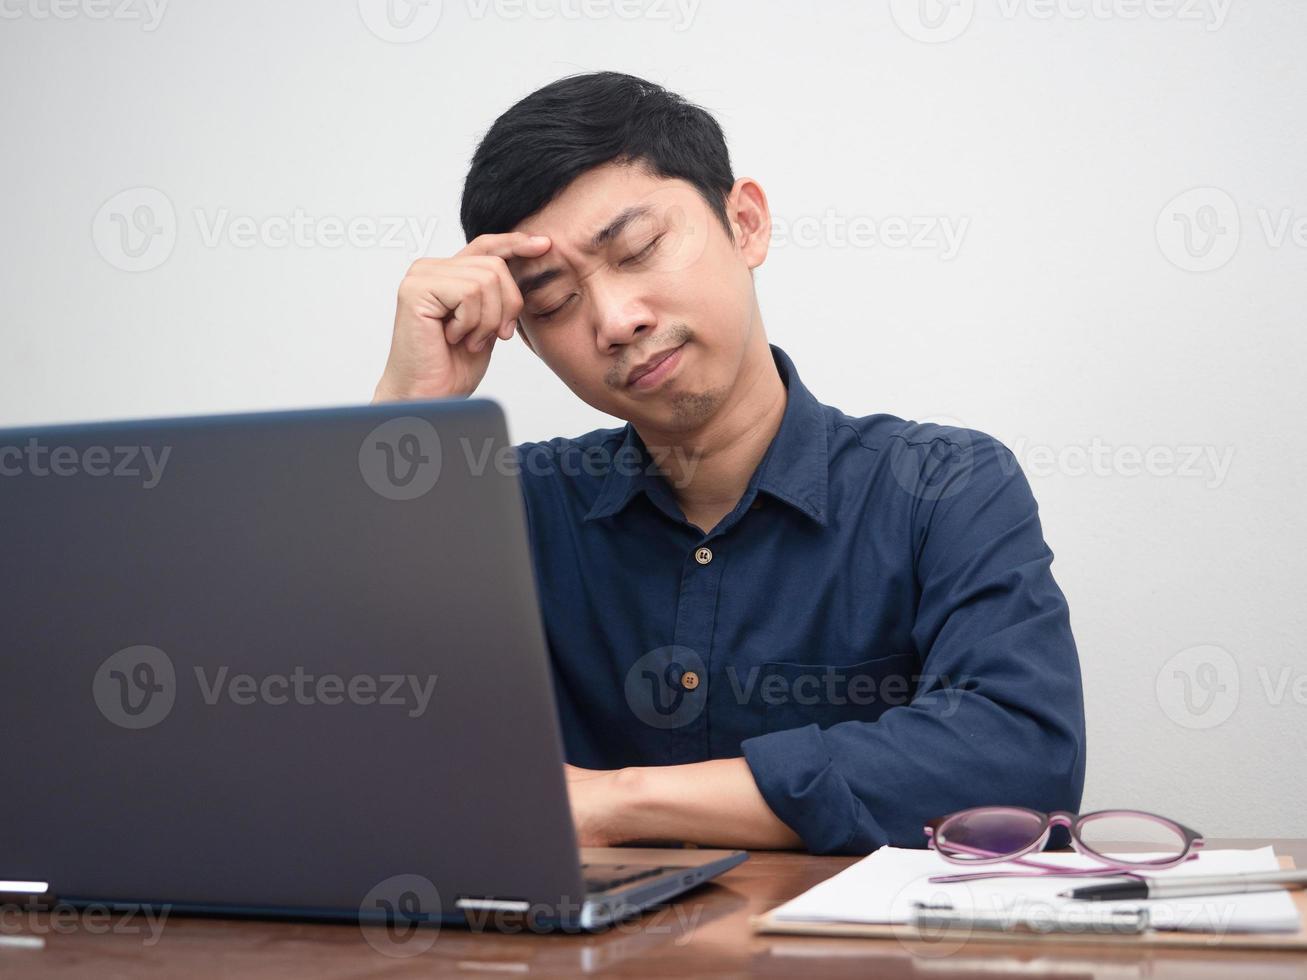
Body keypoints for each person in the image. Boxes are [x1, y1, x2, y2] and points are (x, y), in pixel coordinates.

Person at [373, 71, 1086, 855]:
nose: (614, 320)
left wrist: (614, 801)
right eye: (550, 302)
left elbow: (1017, 758)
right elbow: (329, 723)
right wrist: (413, 409)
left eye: (638, 249)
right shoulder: (511, 507)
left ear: (744, 223)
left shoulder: (941, 485)